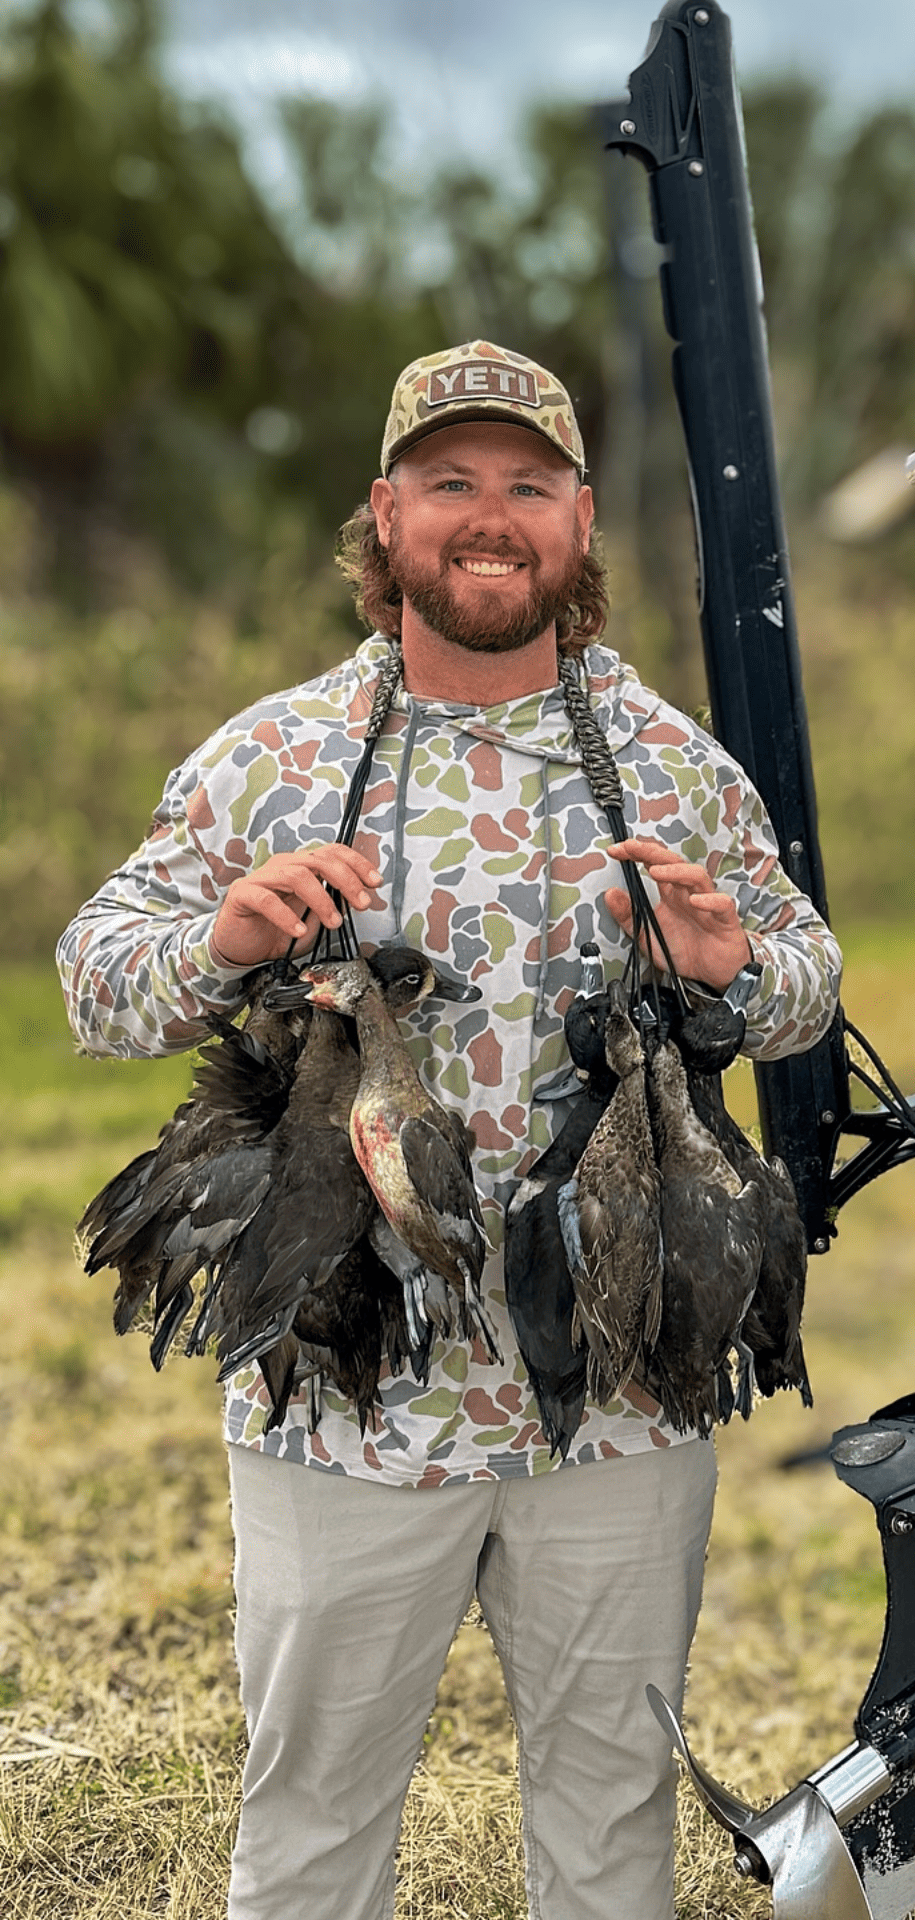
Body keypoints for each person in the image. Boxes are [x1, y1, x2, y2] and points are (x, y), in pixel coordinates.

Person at [56, 340, 842, 1920]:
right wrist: (219, 939)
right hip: (346, 1408)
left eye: (527, 487)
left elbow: (810, 986)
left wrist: (737, 964)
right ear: (387, 515)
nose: (492, 518)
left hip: (620, 1405)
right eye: (452, 484)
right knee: (313, 1830)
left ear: (578, 522)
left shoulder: (680, 772)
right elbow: (94, 980)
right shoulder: (270, 761)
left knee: (615, 1825)